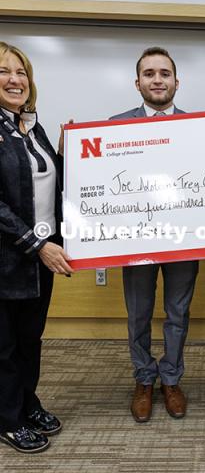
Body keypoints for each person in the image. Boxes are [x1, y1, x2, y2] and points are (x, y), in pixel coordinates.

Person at [110, 47, 198, 421]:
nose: (157, 80)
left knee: (178, 312)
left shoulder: (201, 128)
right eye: (149, 74)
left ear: (177, 82)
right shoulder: (114, 126)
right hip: (136, 241)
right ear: (138, 83)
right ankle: (145, 378)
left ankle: (171, 379)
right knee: (139, 314)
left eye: (164, 73)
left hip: (184, 239)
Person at [0, 42, 73, 453]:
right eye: (4, 71)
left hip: (42, 258)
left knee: (31, 338)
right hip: (10, 258)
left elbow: (42, 184)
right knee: (4, 346)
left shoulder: (31, 125)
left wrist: (66, 154)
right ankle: (8, 418)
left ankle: (28, 403)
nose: (15, 79)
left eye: (21, 72)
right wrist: (38, 244)